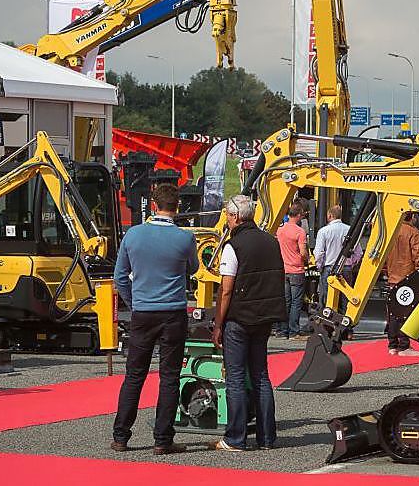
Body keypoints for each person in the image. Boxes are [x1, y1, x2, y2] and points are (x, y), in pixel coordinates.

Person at [111, 184, 199, 455]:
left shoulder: (133, 234)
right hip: (173, 312)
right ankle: (163, 439)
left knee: (134, 375)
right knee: (169, 377)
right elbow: (193, 268)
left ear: (153, 205)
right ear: (177, 207)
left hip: (143, 311)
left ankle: (121, 436)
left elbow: (120, 277)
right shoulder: (185, 238)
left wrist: (134, 302)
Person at [211, 195, 287, 451]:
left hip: (239, 318)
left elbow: (226, 290)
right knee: (261, 376)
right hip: (264, 316)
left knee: (235, 378)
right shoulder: (271, 241)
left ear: (235, 217)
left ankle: (235, 438)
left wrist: (218, 324)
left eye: (227, 215)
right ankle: (267, 438)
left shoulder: (233, 245)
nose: (226, 219)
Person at [312, 205, 359, 337]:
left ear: (329, 216)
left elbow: (319, 252)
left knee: (327, 299)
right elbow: (358, 252)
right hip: (346, 268)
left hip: (329, 268)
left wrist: (319, 266)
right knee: (346, 299)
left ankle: (328, 329)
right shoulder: (349, 230)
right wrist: (351, 264)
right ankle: (346, 331)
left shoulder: (324, 231)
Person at [383, 212, 419, 356]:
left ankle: (392, 345)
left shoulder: (390, 231)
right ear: (412, 216)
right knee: (405, 312)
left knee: (393, 313)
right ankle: (404, 346)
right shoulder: (413, 232)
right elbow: (418, 256)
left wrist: (387, 272)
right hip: (408, 278)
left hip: (392, 278)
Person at [275, 200, 309, 338]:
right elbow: (303, 252)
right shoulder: (300, 232)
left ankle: (282, 331)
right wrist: (307, 259)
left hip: (283, 270)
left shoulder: (280, 230)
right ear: (299, 215)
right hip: (297, 270)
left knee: (285, 301)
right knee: (296, 302)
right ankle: (294, 331)